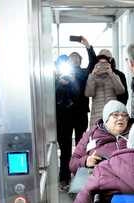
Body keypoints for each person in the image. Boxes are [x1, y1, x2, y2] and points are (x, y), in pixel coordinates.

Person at [54, 37, 97, 191]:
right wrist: (60, 83)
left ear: (80, 61)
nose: (74, 60)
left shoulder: (84, 73)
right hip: (63, 117)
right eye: (71, 59)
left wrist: (87, 45)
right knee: (65, 150)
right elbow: (53, 94)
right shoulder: (58, 76)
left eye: (76, 58)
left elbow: (93, 63)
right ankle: (64, 179)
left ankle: (80, 180)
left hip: (79, 115)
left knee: (82, 146)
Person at [69, 100, 129, 174]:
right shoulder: (91, 134)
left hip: (127, 178)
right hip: (100, 179)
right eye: (115, 115)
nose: (120, 118)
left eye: (124, 115)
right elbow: (73, 163)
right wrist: (86, 161)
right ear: (106, 119)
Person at [85, 56, 127, 129]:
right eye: (100, 63)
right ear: (96, 65)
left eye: (105, 63)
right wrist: (92, 75)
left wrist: (111, 74)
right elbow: (88, 94)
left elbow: (121, 91)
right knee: (97, 137)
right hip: (97, 114)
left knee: (112, 136)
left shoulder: (114, 76)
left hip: (112, 114)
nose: (102, 66)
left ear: (109, 64)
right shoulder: (92, 77)